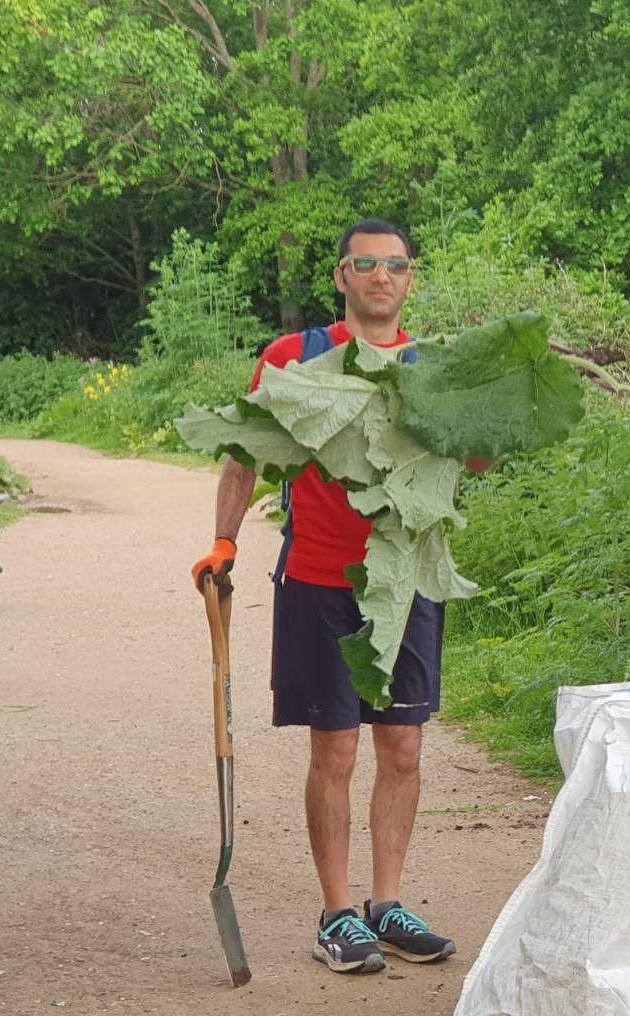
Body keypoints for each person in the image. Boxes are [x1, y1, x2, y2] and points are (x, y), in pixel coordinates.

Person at [192, 218, 480, 975]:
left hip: (406, 577)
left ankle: (386, 905)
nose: (381, 277)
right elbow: (244, 455)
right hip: (320, 577)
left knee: (405, 748)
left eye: (396, 266)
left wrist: (486, 399)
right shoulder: (295, 358)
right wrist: (224, 542)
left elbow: (476, 459)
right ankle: (336, 914)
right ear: (342, 276)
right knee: (337, 748)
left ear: (410, 279)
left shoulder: (429, 366)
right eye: (366, 264)